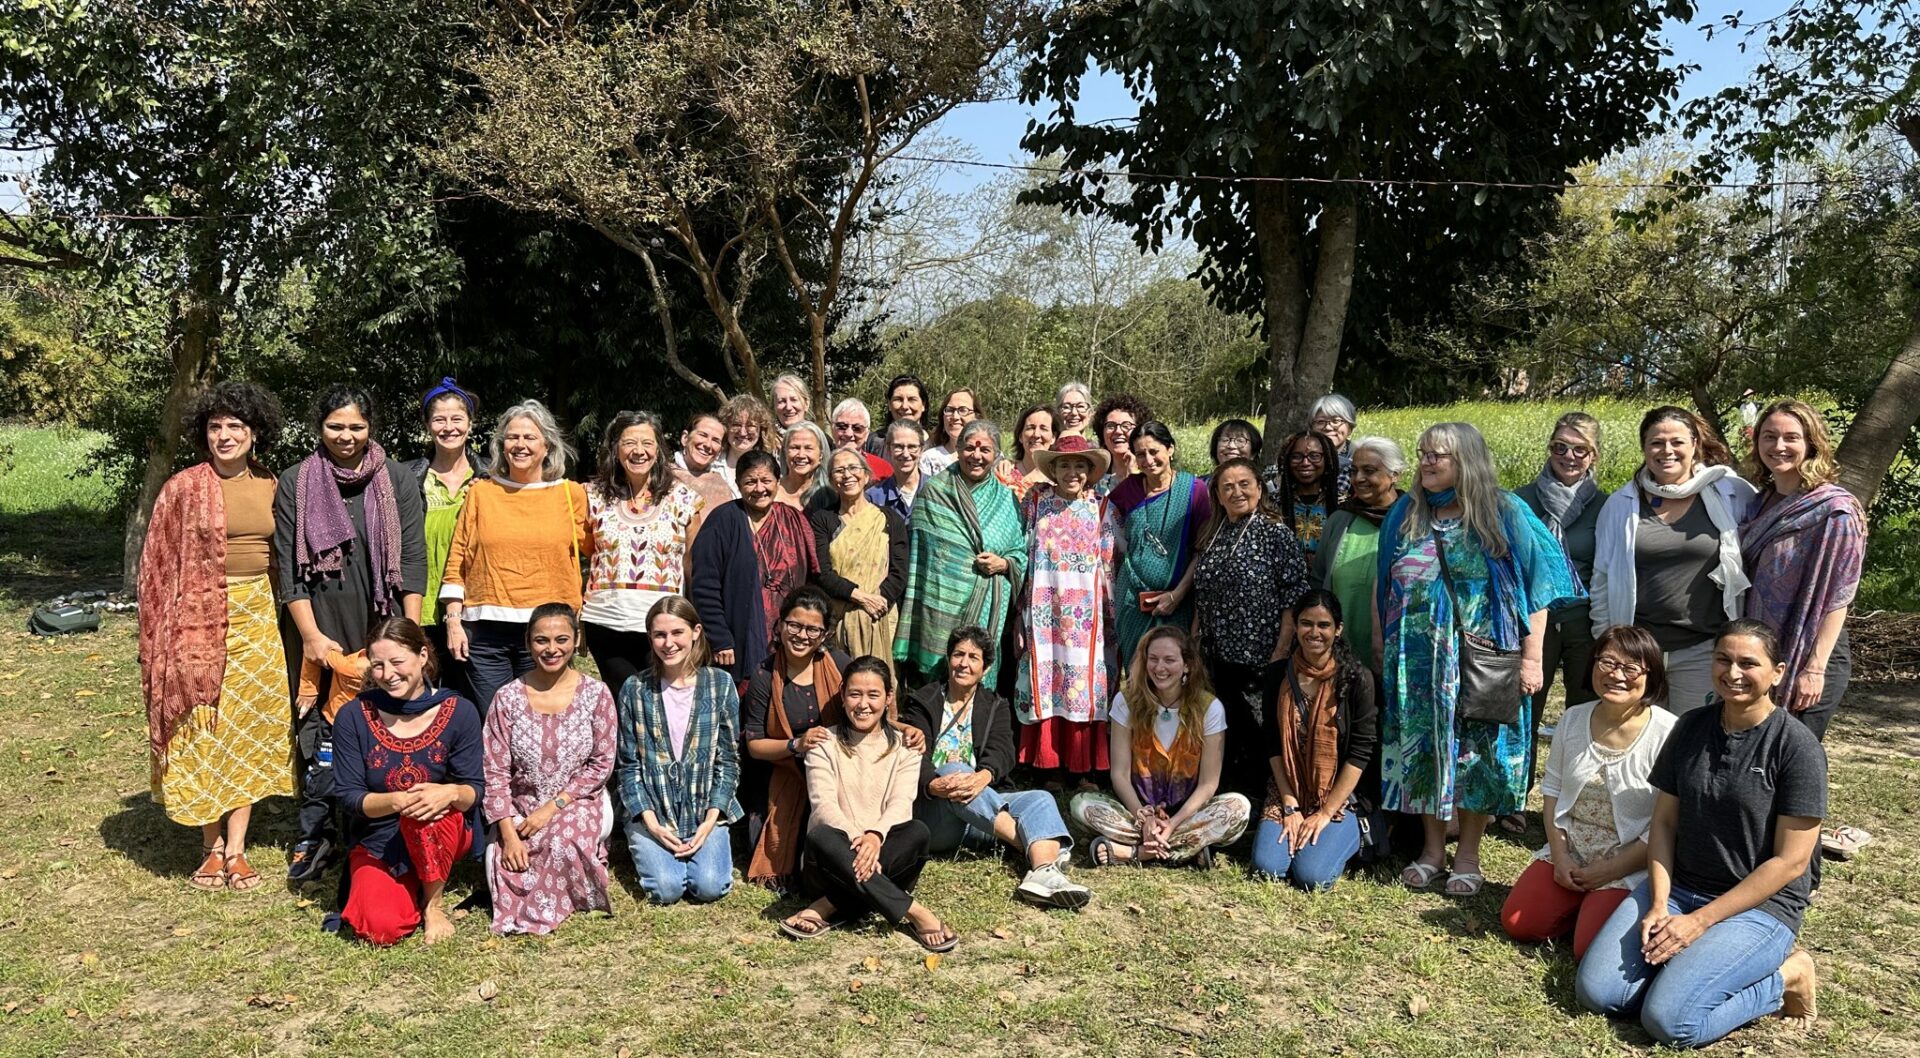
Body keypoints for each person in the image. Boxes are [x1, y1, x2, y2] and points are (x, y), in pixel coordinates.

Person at [1575, 621, 1823, 1047]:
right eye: (1723, 659)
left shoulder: (1796, 747)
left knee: (1671, 1022)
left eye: (1749, 663)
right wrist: (1658, 903)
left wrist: (1699, 923)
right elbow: (1664, 823)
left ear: (1778, 672)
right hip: (1680, 889)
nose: (1733, 672)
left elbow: (1792, 861)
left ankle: (1787, 976)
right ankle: (1682, 973)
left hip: (1758, 907)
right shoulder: (1690, 727)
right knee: (1598, 994)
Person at [1377, 422, 1582, 897]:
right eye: (1423, 453)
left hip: (1483, 660)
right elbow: (1383, 584)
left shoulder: (1504, 511)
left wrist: (1532, 659)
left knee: (1479, 755)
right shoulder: (1406, 512)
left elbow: (1539, 588)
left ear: (1466, 460)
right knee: (1422, 750)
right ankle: (1432, 851)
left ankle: (1467, 854)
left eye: (1438, 455)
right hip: (1417, 661)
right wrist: (1381, 645)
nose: (1426, 462)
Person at [140, 381, 294, 892]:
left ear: (255, 433)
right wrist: (164, 629)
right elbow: (157, 563)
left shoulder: (272, 484)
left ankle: (237, 848)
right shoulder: (183, 487)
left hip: (257, 614)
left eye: (235, 426)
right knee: (201, 722)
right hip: (196, 616)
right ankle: (210, 845)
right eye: (215, 426)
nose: (224, 435)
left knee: (245, 724)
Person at [276, 384, 427, 884]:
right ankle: (315, 834)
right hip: (320, 626)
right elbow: (289, 568)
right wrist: (311, 636)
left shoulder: (396, 478)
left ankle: (375, 828)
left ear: (371, 427)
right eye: (335, 426)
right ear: (319, 428)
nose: (346, 435)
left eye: (356, 426)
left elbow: (412, 558)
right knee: (318, 725)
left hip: (382, 621)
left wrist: (407, 635)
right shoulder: (297, 481)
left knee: (385, 721)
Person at [1740, 400, 1869, 863]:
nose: (1779, 446)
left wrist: (1814, 668)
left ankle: (1798, 871)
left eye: (1791, 437)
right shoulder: (1761, 502)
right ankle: (1758, 863)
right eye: (1769, 436)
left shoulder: (1834, 509)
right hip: (1764, 651)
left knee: (1794, 767)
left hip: (1813, 653)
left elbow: (1839, 596)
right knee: (1759, 763)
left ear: (1811, 443)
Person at [1500, 625, 1675, 959]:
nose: (1617, 675)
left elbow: (1665, 825)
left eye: (1631, 668)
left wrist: (1611, 870)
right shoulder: (1573, 718)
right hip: (1574, 849)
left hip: (1630, 860)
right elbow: (1552, 791)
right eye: (1607, 662)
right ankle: (1582, 907)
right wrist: (1560, 855)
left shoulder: (1669, 733)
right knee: (1519, 923)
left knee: (1589, 950)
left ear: (1651, 674)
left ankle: (1593, 909)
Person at [902, 628, 1092, 910]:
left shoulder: (995, 705)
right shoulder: (924, 701)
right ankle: (1030, 842)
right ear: (948, 658)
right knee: (954, 768)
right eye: (958, 655)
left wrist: (984, 775)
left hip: (982, 814)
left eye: (973, 657)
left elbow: (1003, 750)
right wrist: (932, 784)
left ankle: (1044, 874)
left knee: (1041, 799)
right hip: (936, 816)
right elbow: (911, 756)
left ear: (986, 668)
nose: (964, 663)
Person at [781, 657, 957, 952]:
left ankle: (829, 906)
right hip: (831, 863)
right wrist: (858, 841)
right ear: (842, 695)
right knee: (821, 835)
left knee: (917, 832)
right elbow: (823, 805)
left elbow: (902, 803)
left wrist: (875, 836)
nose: (863, 704)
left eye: (873, 695)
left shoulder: (906, 746)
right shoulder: (822, 743)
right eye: (855, 694)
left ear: (888, 698)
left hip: (883, 853)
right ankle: (913, 911)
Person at [1592, 407, 1756, 714]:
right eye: (1656, 442)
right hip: (1638, 652)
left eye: (1677, 442)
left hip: (1702, 649)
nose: (1667, 450)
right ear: (1644, 447)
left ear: (1695, 444)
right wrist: (1608, 643)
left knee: (1692, 733)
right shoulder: (1620, 505)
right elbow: (1602, 578)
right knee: (1636, 734)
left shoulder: (1732, 493)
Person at [333, 618, 484, 947]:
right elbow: (348, 796)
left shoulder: (459, 711)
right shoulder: (353, 716)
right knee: (380, 928)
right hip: (379, 838)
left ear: (423, 656)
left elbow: (474, 789)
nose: (388, 674)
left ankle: (432, 904)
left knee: (428, 811)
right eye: (378, 665)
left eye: (397, 662)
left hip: (442, 828)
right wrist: (397, 801)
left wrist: (449, 792)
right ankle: (405, 884)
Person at [439, 399, 589, 714]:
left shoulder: (571, 494)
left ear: (547, 446)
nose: (520, 445)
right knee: (495, 719)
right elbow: (457, 561)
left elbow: (593, 552)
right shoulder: (481, 493)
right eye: (512, 437)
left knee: (540, 718)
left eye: (529, 437)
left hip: (547, 630)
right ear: (502, 445)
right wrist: (453, 620)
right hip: (485, 633)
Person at [482, 604, 617, 935]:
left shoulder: (596, 694)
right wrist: (507, 833)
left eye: (561, 639)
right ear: (528, 643)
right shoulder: (507, 698)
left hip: (576, 799)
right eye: (542, 640)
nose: (552, 649)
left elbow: (601, 762)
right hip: (522, 801)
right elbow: (495, 771)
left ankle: (550, 906)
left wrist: (553, 807)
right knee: (512, 858)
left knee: (560, 841)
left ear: (576, 640)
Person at [1072, 627, 1250, 866]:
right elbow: (1120, 775)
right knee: (1081, 804)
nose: (1159, 668)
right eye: (1153, 659)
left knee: (1238, 807)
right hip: (1138, 810)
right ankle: (1186, 847)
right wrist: (1144, 818)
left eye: (1169, 660)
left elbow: (1208, 784)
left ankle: (1135, 852)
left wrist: (1173, 823)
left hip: (1187, 813)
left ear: (1187, 665)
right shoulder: (1126, 701)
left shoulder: (1210, 708)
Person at [1190, 457, 1308, 797]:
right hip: (1216, 653)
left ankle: (1263, 798)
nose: (1237, 492)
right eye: (1227, 487)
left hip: (1260, 654)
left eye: (1244, 484)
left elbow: (1293, 596)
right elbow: (1203, 590)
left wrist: (1280, 651)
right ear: (1218, 495)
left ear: (1259, 488)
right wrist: (1195, 635)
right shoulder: (1213, 534)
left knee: (1259, 730)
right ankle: (1228, 795)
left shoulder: (1275, 533)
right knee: (1226, 725)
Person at [1511, 412, 1605, 835]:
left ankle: (1574, 798)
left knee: (1585, 709)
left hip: (1584, 620)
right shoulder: (1521, 500)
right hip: (1534, 620)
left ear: (1593, 455)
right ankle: (1514, 796)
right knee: (1525, 708)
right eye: (1560, 447)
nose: (1568, 456)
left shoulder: (1607, 505)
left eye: (1579, 449)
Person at [616, 596, 744, 905]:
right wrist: (651, 823)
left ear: (695, 632)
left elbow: (728, 760)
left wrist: (710, 821)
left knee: (710, 886)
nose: (669, 643)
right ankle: (653, 847)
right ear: (650, 638)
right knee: (667, 889)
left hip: (703, 810)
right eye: (659, 635)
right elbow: (628, 765)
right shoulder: (635, 689)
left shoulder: (720, 684)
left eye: (677, 633)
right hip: (654, 810)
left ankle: (701, 848)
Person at [1251, 592, 1379, 891]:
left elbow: (1360, 753)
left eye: (1324, 625)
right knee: (1267, 868)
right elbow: (1272, 743)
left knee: (1312, 877)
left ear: (1338, 629)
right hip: (1290, 789)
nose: (1314, 632)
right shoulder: (1277, 675)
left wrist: (1324, 813)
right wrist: (1289, 804)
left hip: (1339, 797)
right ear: (1295, 626)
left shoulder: (1357, 679)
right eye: (1306, 623)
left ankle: (1343, 837)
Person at [582, 411, 707, 699]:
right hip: (606, 620)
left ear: (659, 449)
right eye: (629, 443)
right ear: (615, 449)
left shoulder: (684, 499)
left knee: (662, 700)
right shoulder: (591, 496)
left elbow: (692, 566)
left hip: (665, 626)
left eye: (647, 443)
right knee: (623, 699)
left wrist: (694, 619)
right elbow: (583, 550)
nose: (639, 451)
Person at [894, 420, 1029, 688]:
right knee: (936, 684)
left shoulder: (1007, 499)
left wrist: (1004, 564)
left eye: (985, 450)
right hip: (940, 605)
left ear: (996, 454)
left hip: (986, 607)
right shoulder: (935, 492)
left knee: (978, 675)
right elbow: (922, 558)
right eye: (969, 448)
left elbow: (1021, 552)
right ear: (957, 449)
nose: (976, 456)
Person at [1017, 436, 1116, 785]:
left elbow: (1109, 563)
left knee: (1082, 683)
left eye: (1079, 466)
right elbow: (1021, 552)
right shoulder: (1036, 502)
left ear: (1090, 471)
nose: (1072, 472)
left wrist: (1110, 615)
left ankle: (1082, 765)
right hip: (1044, 610)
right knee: (1046, 679)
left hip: (1086, 616)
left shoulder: (1102, 508)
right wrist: (1019, 612)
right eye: (1064, 465)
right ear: (1053, 469)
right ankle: (1047, 764)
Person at [740, 589, 851, 889]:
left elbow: (866, 708)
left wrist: (902, 728)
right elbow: (755, 746)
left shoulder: (839, 665)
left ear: (825, 634)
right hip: (782, 772)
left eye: (813, 629)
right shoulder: (764, 675)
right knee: (779, 854)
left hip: (833, 774)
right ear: (780, 625)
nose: (802, 635)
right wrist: (796, 745)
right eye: (794, 625)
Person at [405, 377, 482, 705]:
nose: (449, 427)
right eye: (439, 419)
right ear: (427, 425)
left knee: (471, 699)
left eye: (457, 419)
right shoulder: (407, 478)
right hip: (421, 605)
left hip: (474, 605)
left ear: (470, 424)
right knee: (422, 697)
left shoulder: (489, 479)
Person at [1109, 421, 1212, 669]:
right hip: (1132, 600)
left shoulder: (1194, 490)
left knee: (1173, 670)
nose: (1148, 460)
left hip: (1178, 601)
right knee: (1137, 671)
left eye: (1154, 451)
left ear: (1170, 449)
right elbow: (1105, 526)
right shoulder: (1128, 490)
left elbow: (1204, 549)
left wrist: (1178, 595)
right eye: (1140, 454)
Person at [686, 451, 784, 684]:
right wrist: (720, 638)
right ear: (738, 484)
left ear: (777, 482)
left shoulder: (790, 519)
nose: (759, 489)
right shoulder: (723, 520)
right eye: (750, 482)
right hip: (738, 639)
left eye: (766, 480)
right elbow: (704, 585)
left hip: (785, 639)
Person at [1311, 436, 1406, 667]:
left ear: (1395, 475)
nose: (1358, 478)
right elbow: (1318, 580)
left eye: (1369, 471)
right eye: (1354, 471)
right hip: (1340, 657)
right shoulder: (1340, 520)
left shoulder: (1411, 521)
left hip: (1395, 653)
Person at [812, 449, 907, 669]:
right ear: (831, 480)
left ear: (866, 475)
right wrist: (861, 598)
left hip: (881, 615)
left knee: (880, 676)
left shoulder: (889, 519)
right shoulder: (823, 520)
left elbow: (899, 571)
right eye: (839, 470)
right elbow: (822, 573)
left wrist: (878, 601)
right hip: (839, 618)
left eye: (853, 468)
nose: (847, 475)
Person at [1270, 429, 1337, 556]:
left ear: (1328, 460)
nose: (1305, 463)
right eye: (1296, 457)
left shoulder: (1342, 504)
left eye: (1314, 456)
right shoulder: (1272, 503)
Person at [1090, 393, 1152, 495]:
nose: (1118, 431)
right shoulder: (1094, 476)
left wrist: (1133, 476)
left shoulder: (1151, 472)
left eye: (1126, 425)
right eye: (1110, 426)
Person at [674, 411, 737, 509]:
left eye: (715, 440)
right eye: (702, 435)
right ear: (685, 438)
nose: (708, 444)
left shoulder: (720, 485)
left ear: (720, 451)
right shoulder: (662, 476)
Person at [868, 419, 927, 522]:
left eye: (912, 447)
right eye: (898, 447)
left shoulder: (937, 491)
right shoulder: (874, 497)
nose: (906, 454)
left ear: (921, 449)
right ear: (888, 449)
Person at [999, 403, 1059, 503]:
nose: (1036, 434)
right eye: (1030, 428)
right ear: (1020, 436)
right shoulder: (1004, 474)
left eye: (1043, 428)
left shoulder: (1059, 480)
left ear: (1053, 437)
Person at [718, 392, 780, 489]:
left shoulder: (773, 465)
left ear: (761, 430)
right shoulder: (712, 463)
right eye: (736, 424)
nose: (743, 432)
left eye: (751, 425)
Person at [919, 387, 982, 478]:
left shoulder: (989, 456)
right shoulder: (929, 459)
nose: (955, 417)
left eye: (963, 410)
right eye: (950, 410)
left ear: (976, 417)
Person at [830, 398, 895, 482]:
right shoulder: (821, 464)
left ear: (867, 433)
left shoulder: (882, 468)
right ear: (832, 428)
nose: (849, 433)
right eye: (842, 426)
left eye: (857, 428)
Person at [1308, 394, 1358, 500]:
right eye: (1320, 422)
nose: (1328, 427)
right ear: (1311, 428)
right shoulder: (1299, 456)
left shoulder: (1359, 458)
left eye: (1336, 421)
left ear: (1350, 428)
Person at [869, 374, 931, 456]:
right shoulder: (873, 442)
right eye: (898, 399)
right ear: (889, 405)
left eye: (912, 399)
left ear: (923, 405)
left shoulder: (935, 446)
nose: (904, 406)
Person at [777, 421, 832, 510]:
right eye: (795, 448)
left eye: (808, 448)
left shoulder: (832, 496)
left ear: (821, 455)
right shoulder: (772, 492)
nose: (801, 455)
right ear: (785, 452)